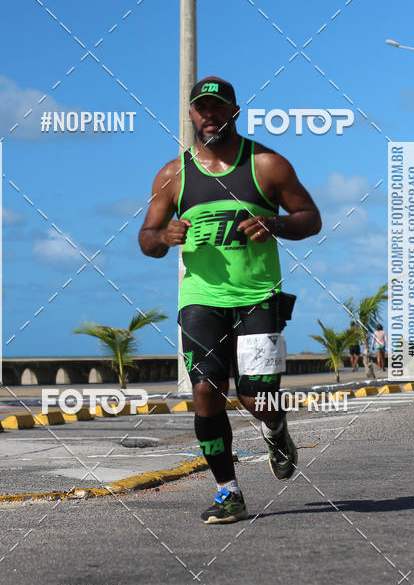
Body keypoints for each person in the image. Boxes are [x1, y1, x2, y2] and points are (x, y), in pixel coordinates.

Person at [138, 76, 322, 524]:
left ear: (234, 112)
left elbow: (310, 218)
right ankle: (228, 491)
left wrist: (274, 224)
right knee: (205, 392)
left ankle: (275, 428)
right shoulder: (173, 175)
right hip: (201, 298)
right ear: (190, 115)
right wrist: (164, 235)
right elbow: (146, 238)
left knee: (258, 397)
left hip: (260, 297)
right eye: (201, 109)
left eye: (218, 108)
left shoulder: (267, 166)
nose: (209, 116)